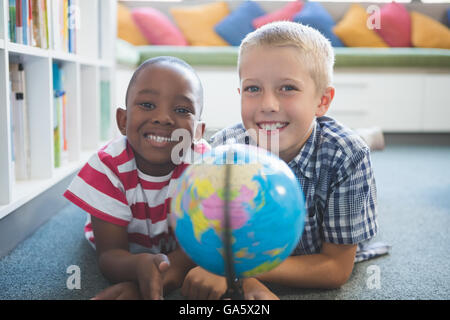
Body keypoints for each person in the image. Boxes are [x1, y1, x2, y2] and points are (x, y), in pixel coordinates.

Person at [181, 21, 379, 299]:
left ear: (322, 100)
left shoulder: (347, 156)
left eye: (287, 88)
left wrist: (235, 272)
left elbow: (335, 268)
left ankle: (369, 135)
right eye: (253, 89)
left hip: (336, 176)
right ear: (240, 93)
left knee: (355, 144)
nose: (268, 104)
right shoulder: (224, 149)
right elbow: (205, 235)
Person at [63, 56, 278, 300]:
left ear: (198, 131)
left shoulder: (205, 165)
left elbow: (210, 240)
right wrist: (138, 265)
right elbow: (109, 254)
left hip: (179, 243)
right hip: (125, 240)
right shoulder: (107, 167)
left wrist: (166, 270)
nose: (163, 118)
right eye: (147, 104)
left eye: (181, 110)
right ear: (123, 121)